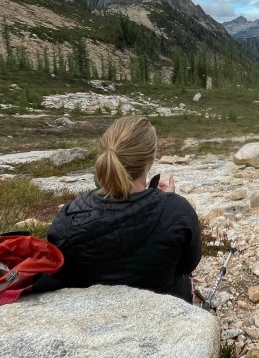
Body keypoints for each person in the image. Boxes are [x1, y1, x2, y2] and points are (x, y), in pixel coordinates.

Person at [47, 116, 201, 302]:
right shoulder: (177, 210)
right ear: (150, 160)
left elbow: (62, 271)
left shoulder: (69, 215)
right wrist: (169, 201)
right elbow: (188, 264)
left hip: (91, 309)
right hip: (165, 304)